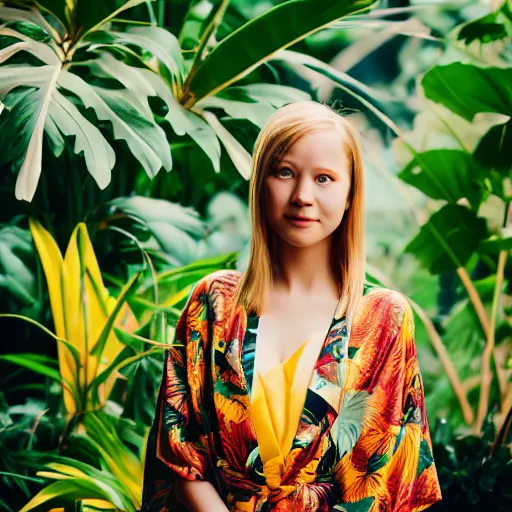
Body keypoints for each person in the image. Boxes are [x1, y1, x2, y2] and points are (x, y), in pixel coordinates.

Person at [141, 101, 442, 511]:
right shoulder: (212, 304)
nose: (302, 196)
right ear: (259, 183)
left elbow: (383, 482)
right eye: (285, 172)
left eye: (324, 178)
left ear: (351, 193)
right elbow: (180, 455)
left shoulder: (382, 319)